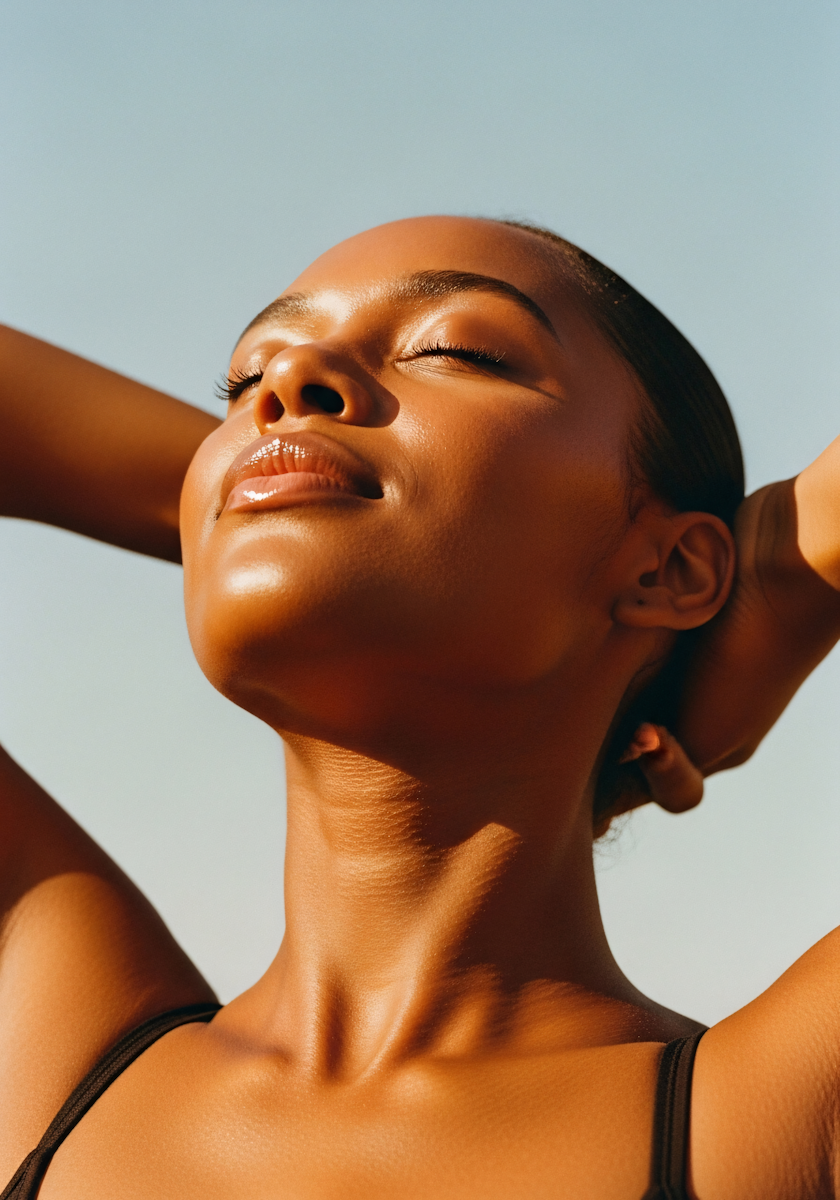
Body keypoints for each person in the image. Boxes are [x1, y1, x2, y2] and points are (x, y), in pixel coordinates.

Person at [0, 216, 837, 1199]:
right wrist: (273, 480)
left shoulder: (773, 1117)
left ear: (672, 567)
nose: (287, 381)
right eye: (247, 379)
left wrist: (789, 567)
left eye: (455, 350)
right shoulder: (57, 1066)